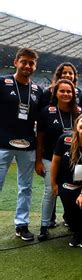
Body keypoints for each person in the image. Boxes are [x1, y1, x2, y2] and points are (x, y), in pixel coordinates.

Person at [0, 47, 43, 241]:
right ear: (16, 62)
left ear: (35, 66)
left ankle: (21, 224)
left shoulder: (37, 90)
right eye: (24, 61)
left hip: (27, 144)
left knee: (25, 187)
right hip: (2, 143)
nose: (27, 66)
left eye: (31, 63)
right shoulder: (3, 83)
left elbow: (41, 120)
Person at [36, 79, 82, 241]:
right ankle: (44, 225)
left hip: (74, 161)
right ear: (55, 93)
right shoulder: (47, 111)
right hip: (50, 158)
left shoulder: (78, 112)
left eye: (69, 91)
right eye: (62, 91)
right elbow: (40, 137)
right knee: (51, 191)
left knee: (74, 190)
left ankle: (75, 222)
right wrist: (38, 160)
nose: (66, 94)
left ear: (73, 94)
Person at [50, 112, 82, 248]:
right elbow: (55, 162)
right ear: (77, 122)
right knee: (70, 212)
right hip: (65, 183)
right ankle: (76, 232)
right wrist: (54, 184)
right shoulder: (64, 139)